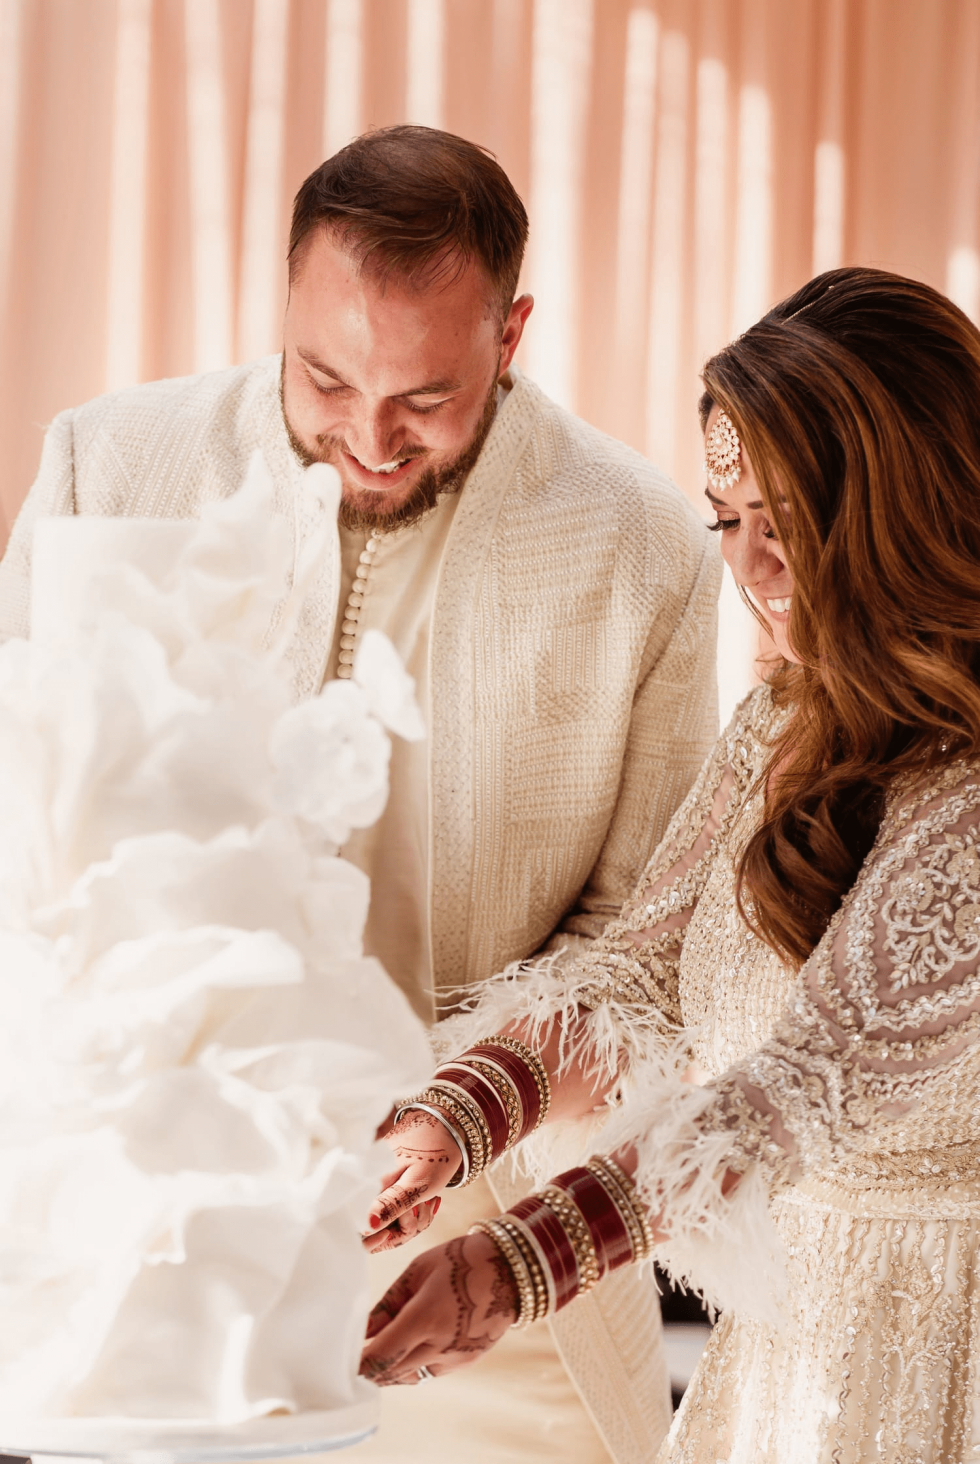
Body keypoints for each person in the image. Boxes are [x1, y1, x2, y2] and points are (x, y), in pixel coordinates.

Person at [0, 127, 720, 1464]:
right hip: (162, 1266)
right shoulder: (108, 467)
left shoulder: (645, 546)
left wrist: (452, 1118)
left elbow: (649, 953)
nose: (369, 438)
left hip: (489, 1282)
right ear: (282, 300)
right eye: (326, 377)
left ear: (512, 333)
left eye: (426, 399)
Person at [359, 265, 980, 1464]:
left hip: (945, 1350)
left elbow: (798, 1089)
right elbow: (638, 978)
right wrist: (452, 1120)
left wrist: (512, 1270)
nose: (751, 572)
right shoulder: (783, 726)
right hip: (787, 1359)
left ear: (916, 509)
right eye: (726, 520)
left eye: (791, 526)